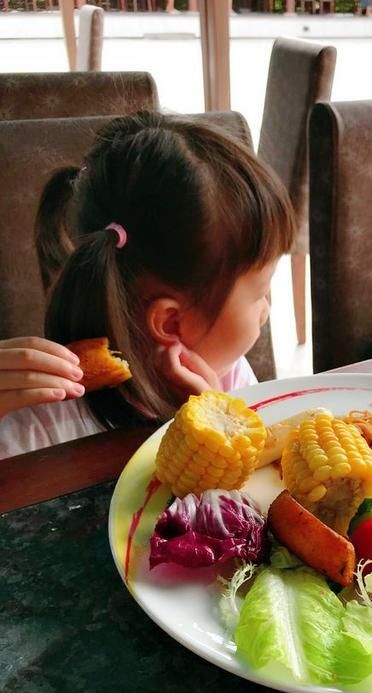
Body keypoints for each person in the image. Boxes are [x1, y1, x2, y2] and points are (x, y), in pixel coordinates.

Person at [0, 111, 295, 459]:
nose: (266, 310)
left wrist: (220, 426)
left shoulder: (229, 378)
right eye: (260, 293)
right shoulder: (39, 425)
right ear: (170, 322)